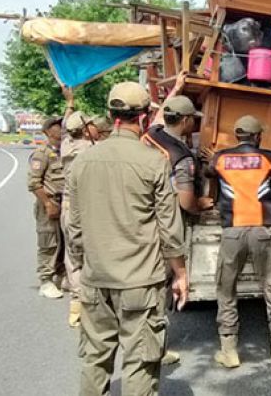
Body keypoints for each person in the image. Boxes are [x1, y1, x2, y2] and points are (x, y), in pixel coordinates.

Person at [65, 81, 188, 396]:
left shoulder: (82, 162)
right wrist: (180, 273)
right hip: (140, 283)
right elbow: (169, 228)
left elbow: (74, 227)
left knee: (94, 359)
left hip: (95, 279)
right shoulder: (153, 161)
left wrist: (82, 265)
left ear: (110, 113)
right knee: (140, 362)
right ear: (145, 116)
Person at [204, 114, 271, 368]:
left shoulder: (221, 158)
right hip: (261, 231)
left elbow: (208, 171)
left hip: (232, 231)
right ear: (257, 137)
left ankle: (229, 350)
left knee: (226, 289)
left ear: (237, 136)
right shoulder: (269, 158)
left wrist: (211, 160)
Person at [143, 71, 214, 366]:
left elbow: (158, 115)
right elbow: (185, 202)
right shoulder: (180, 156)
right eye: (193, 118)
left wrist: (178, 87)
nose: (195, 122)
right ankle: (153, 348)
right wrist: (202, 204)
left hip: (145, 215)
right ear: (185, 121)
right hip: (168, 221)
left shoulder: (152, 135)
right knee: (163, 282)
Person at [59, 87, 100, 327]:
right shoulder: (90, 150)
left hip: (68, 205)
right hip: (85, 207)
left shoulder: (66, 145)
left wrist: (70, 103)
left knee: (72, 256)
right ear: (86, 130)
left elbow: (66, 125)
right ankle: (93, 305)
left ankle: (76, 307)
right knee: (90, 254)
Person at [27, 116, 65, 299]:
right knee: (48, 242)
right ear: (48, 132)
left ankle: (61, 274)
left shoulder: (64, 151)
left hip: (64, 202)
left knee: (65, 241)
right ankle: (46, 280)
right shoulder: (41, 154)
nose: (60, 128)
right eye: (56, 126)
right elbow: (34, 183)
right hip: (48, 203)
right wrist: (48, 203)